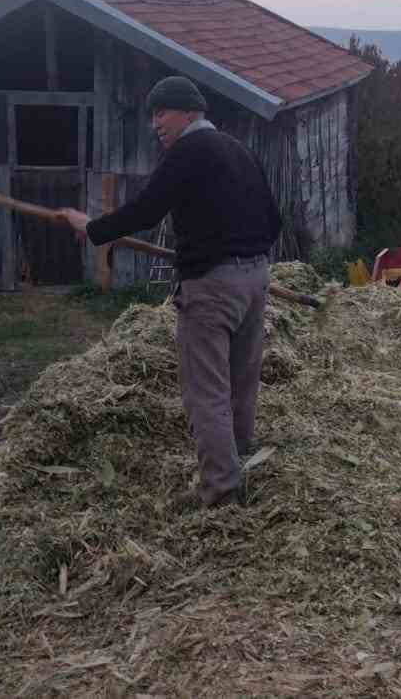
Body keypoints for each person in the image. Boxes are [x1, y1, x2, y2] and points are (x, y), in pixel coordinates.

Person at [56, 75, 281, 509]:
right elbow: (274, 219)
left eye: (162, 112)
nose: (155, 123)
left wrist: (92, 229)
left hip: (212, 287)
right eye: (152, 114)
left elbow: (146, 207)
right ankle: (241, 455)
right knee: (241, 381)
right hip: (255, 279)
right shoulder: (237, 150)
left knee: (206, 391)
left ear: (189, 113)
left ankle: (221, 490)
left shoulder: (189, 151)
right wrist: (244, 252)